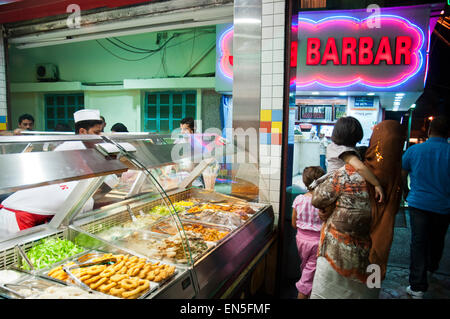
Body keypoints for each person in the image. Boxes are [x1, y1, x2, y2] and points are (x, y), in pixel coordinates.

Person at [0, 109, 110, 236]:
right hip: (17, 216)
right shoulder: (70, 150)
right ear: (82, 132)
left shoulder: (86, 150)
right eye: (96, 132)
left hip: (36, 215)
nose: (100, 136)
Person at [309, 160, 378, 299]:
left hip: (337, 253)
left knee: (325, 292)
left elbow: (317, 199)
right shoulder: (382, 177)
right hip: (373, 253)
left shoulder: (344, 174)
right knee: (368, 292)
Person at [401, 116, 449, 299]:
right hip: (444, 206)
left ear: (429, 131)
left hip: (418, 204)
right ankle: (432, 267)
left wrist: (406, 192)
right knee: (438, 239)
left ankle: (418, 286)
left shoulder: (415, 150)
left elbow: (402, 173)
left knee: (418, 243)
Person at [364, 121, 406, 282]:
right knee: (379, 251)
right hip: (382, 232)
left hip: (354, 238)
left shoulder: (362, 167)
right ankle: (372, 285)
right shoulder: (396, 169)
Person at [310, 117, 384, 203]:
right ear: (354, 136)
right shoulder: (345, 151)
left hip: (330, 183)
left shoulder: (332, 146)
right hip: (337, 186)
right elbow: (360, 168)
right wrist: (376, 184)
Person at [291, 166, 325, 299]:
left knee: (306, 267)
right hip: (317, 242)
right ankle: (303, 292)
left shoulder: (299, 199)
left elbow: (294, 223)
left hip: (301, 240)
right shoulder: (323, 202)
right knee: (308, 275)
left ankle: (308, 290)